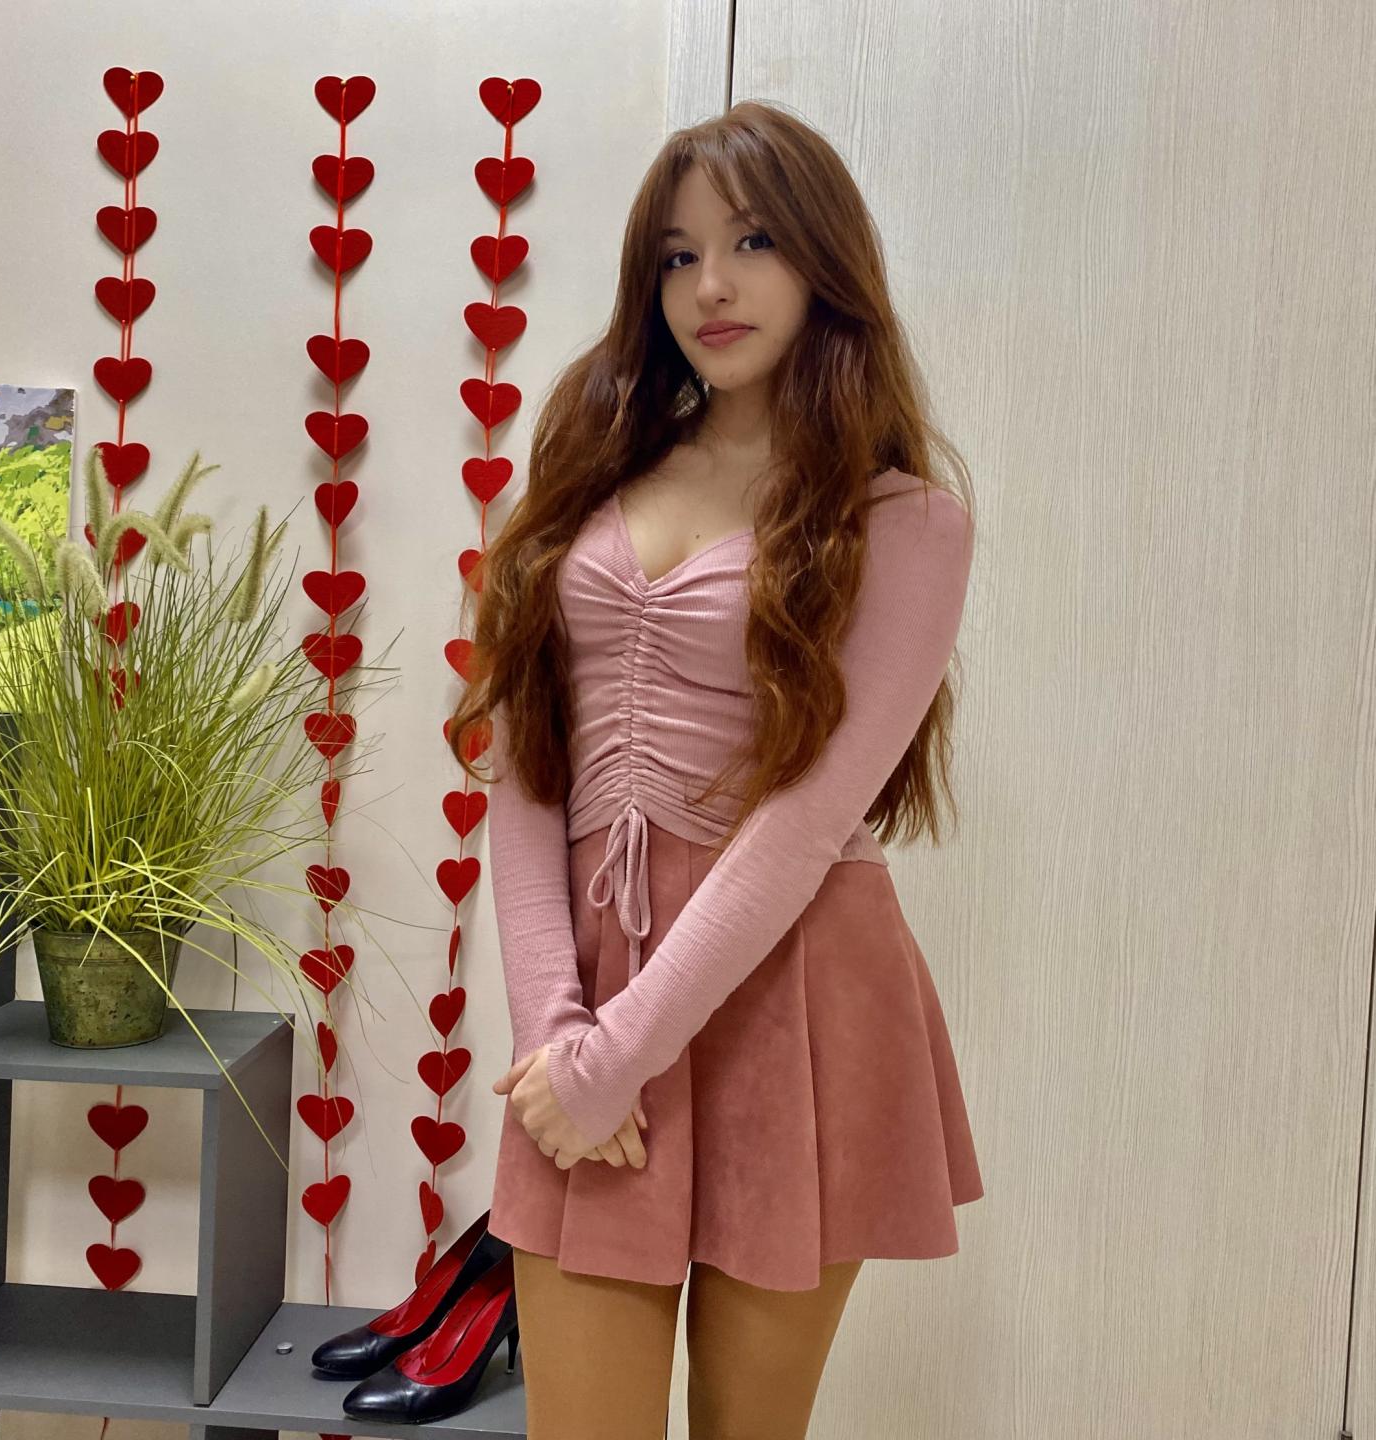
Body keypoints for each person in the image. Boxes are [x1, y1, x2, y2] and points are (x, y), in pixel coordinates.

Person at [445, 97, 985, 1440]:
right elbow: (526, 768)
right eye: (677, 256)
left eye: (750, 242)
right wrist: (557, 1040)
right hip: (591, 998)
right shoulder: (590, 469)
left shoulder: (906, 522)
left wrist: (618, 1056)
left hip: (795, 992)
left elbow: (807, 823)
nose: (710, 288)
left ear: (825, 260)